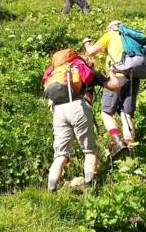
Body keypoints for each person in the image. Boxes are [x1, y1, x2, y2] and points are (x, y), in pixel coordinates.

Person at [43, 49, 120, 192]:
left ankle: (50, 192)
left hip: (59, 111)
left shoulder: (59, 74)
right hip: (79, 107)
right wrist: (111, 73)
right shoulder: (88, 71)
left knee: (60, 155)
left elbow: (50, 101)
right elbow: (114, 86)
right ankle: (90, 189)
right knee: (89, 151)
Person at [83, 20, 139, 154]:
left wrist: (86, 42)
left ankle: (118, 142)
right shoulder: (130, 38)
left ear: (111, 28)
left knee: (106, 112)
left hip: (117, 77)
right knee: (126, 114)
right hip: (134, 78)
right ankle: (131, 147)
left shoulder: (110, 35)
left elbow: (91, 52)